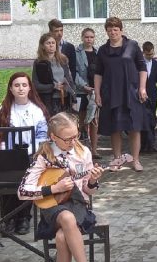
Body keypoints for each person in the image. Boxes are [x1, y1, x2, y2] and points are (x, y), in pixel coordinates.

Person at [18, 112, 105, 262]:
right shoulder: (44, 156)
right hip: (53, 206)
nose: (73, 142)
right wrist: (52, 188)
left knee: (61, 237)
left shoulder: (83, 152)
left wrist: (93, 181)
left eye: (76, 136)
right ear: (53, 137)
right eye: (67, 139)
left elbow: (88, 190)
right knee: (65, 218)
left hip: (77, 203)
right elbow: (22, 191)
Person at [0, 71, 50, 234]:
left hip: (31, 155)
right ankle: (8, 218)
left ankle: (24, 217)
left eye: (24, 85)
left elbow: (42, 137)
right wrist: (6, 150)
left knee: (28, 177)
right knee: (7, 177)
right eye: (17, 85)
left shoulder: (37, 110)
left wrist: (29, 152)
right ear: (11, 88)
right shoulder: (5, 109)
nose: (21, 88)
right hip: (9, 155)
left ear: (30, 88)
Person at [93, 16, 148, 171]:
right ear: (106, 31)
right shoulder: (103, 50)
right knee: (114, 128)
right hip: (111, 93)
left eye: (116, 29)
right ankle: (117, 159)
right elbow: (98, 73)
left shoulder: (132, 45)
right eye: (110, 30)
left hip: (131, 93)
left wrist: (142, 88)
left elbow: (142, 68)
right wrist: (97, 93)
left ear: (121, 30)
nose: (113, 33)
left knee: (134, 127)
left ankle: (135, 160)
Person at [33, 32, 76, 117]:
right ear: (42, 46)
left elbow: (69, 79)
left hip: (65, 98)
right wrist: (53, 86)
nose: (51, 45)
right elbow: (36, 85)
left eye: (53, 43)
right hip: (49, 100)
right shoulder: (39, 62)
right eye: (48, 43)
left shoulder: (63, 59)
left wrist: (74, 98)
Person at [72, 27, 99, 156]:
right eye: (87, 37)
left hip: (95, 92)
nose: (89, 39)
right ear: (82, 38)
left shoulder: (98, 52)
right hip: (81, 91)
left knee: (94, 121)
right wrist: (84, 86)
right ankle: (81, 150)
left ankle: (94, 150)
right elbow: (74, 72)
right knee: (82, 121)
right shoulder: (76, 53)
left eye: (91, 37)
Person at [141, 41, 157, 153]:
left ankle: (151, 144)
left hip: (152, 95)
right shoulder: (139, 63)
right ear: (143, 52)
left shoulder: (156, 64)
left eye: (152, 54)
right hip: (141, 95)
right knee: (142, 120)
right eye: (148, 54)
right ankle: (142, 145)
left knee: (152, 120)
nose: (150, 56)